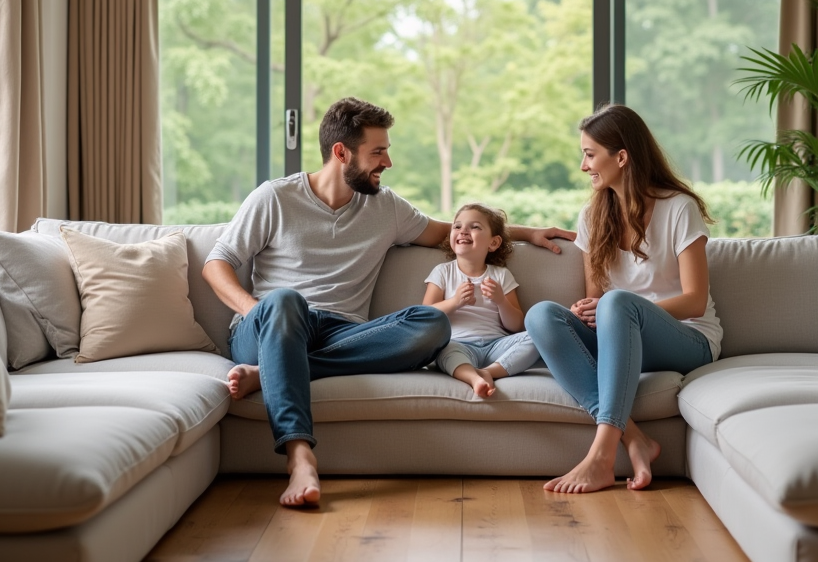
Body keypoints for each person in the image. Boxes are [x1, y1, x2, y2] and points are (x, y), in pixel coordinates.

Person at [202, 97, 574, 507]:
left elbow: (449, 232)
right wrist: (257, 310)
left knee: (433, 324)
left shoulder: (384, 206)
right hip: (273, 323)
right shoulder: (274, 198)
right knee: (286, 302)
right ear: (341, 152)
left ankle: (274, 371)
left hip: (344, 332)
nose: (388, 163)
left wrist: (526, 232)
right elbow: (217, 263)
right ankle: (300, 455)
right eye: (378, 152)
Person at [524, 104, 720, 494]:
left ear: (622, 157)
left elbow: (695, 300)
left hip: (687, 337)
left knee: (618, 303)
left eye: (589, 153)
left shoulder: (678, 208)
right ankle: (635, 439)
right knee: (542, 315)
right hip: (623, 336)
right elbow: (597, 298)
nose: (583, 166)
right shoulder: (592, 216)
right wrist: (587, 310)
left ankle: (600, 456)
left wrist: (624, 312)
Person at [423, 203, 538, 398]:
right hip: (458, 343)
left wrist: (501, 301)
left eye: (474, 227)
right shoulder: (443, 272)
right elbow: (425, 316)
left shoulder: (501, 275)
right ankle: (474, 379)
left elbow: (517, 326)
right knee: (442, 348)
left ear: (493, 243)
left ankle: (488, 372)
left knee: (537, 336)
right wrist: (455, 302)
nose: (463, 231)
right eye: (457, 226)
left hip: (497, 346)